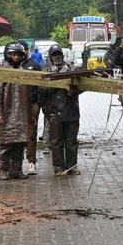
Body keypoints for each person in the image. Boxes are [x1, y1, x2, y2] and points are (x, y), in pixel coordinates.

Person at [0, 42, 37, 180]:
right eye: (14, 54)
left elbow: (29, 96)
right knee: (5, 143)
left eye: (18, 54)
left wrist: (31, 115)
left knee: (20, 143)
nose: (16, 57)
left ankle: (16, 170)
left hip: (22, 114)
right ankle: (2, 170)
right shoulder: (2, 71)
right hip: (7, 113)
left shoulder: (24, 72)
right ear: (9, 55)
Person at [40, 45, 82, 175]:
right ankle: (58, 168)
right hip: (54, 111)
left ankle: (72, 167)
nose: (57, 57)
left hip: (71, 110)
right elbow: (41, 90)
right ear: (50, 57)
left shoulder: (71, 68)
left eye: (59, 54)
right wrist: (56, 82)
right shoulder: (45, 70)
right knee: (56, 141)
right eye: (54, 55)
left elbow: (82, 86)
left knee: (72, 141)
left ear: (63, 56)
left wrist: (74, 91)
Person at [19, 41, 43, 174]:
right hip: (17, 104)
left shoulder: (34, 65)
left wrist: (38, 103)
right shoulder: (12, 65)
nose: (20, 54)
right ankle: (15, 162)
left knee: (31, 132)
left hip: (32, 103)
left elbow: (40, 85)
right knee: (16, 131)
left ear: (28, 51)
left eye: (22, 51)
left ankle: (31, 161)